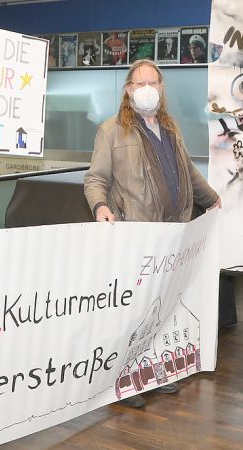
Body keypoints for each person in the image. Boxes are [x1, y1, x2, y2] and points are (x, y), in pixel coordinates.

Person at [84, 59, 221, 408]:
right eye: (139, 83)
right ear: (129, 90)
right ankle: (122, 381)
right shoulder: (111, 130)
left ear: (161, 88)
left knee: (160, 307)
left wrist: (214, 200)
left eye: (153, 82)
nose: (147, 89)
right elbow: (95, 178)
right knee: (132, 312)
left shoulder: (170, 129)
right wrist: (100, 207)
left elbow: (188, 174)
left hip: (173, 234)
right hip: (135, 235)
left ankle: (152, 371)